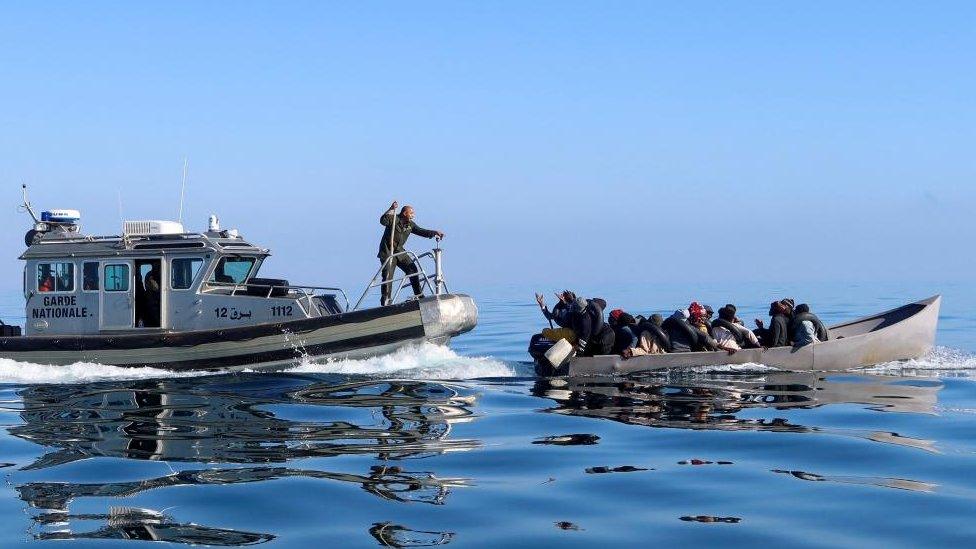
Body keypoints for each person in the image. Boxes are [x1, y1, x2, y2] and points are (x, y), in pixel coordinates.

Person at [378, 201, 444, 306]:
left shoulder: (410, 225)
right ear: (405, 213)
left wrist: (434, 232)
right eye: (411, 213)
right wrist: (391, 209)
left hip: (400, 252)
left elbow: (421, 231)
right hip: (388, 252)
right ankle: (386, 301)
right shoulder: (393, 219)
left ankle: (419, 295)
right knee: (388, 276)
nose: (413, 215)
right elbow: (383, 221)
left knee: (412, 269)